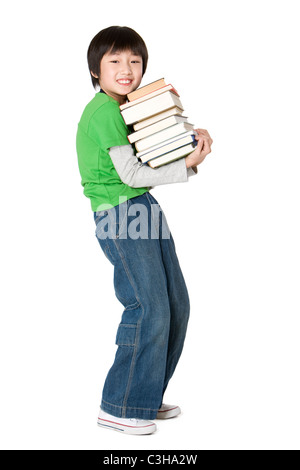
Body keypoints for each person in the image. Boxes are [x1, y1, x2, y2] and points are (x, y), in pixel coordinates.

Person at [76, 26, 213, 435]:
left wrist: (190, 145)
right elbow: (133, 174)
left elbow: (150, 160)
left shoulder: (126, 109)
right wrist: (187, 165)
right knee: (147, 306)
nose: (127, 69)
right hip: (121, 212)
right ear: (95, 70)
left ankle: (144, 397)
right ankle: (119, 405)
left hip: (141, 207)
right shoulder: (102, 111)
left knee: (176, 304)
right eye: (115, 61)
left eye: (135, 61)